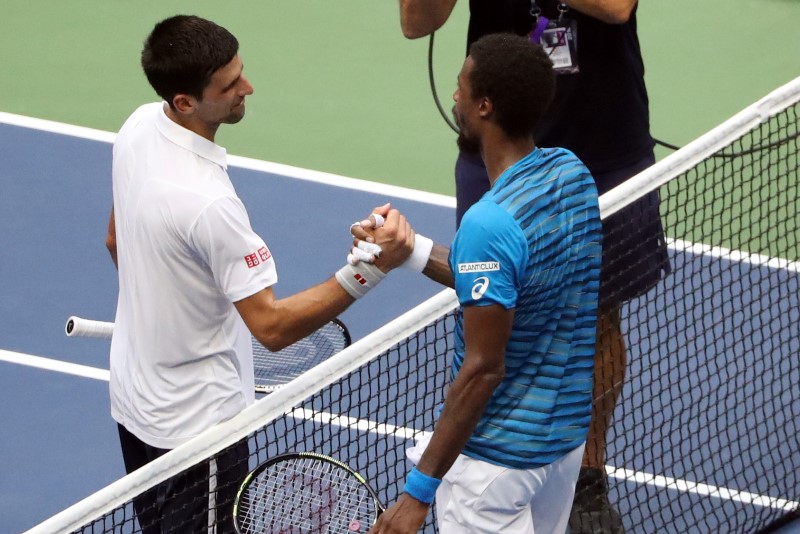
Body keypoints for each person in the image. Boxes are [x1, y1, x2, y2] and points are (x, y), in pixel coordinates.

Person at [104, 15, 413, 534]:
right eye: (229, 86)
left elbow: (118, 240)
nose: (247, 88)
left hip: (134, 401)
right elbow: (270, 328)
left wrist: (172, 311)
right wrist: (368, 272)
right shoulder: (209, 203)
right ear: (185, 102)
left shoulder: (137, 126)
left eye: (240, 72)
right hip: (197, 432)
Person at [398, 1, 671, 531]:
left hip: (601, 145)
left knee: (597, 316)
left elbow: (616, 8)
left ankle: (586, 475)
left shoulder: (566, 170)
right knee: (493, 300)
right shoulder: (490, 202)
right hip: (496, 141)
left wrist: (419, 490)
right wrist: (408, 252)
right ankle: (507, 447)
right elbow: (417, 22)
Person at [356, 33, 602, 533]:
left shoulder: (488, 222)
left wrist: (417, 494)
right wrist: (411, 252)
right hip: (561, 443)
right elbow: (514, 280)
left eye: (460, 88)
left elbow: (483, 370)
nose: (454, 98)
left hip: (496, 466)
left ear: (484, 106)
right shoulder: (571, 175)